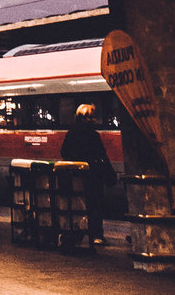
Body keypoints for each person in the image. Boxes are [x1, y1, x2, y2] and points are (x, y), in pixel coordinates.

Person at [59, 102, 118, 247]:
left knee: (77, 204)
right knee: (95, 205)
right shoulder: (93, 135)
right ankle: (96, 235)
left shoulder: (71, 133)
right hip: (93, 176)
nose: (94, 120)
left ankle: (76, 232)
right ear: (84, 118)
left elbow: (64, 152)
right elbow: (102, 155)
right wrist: (109, 172)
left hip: (76, 176)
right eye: (91, 117)